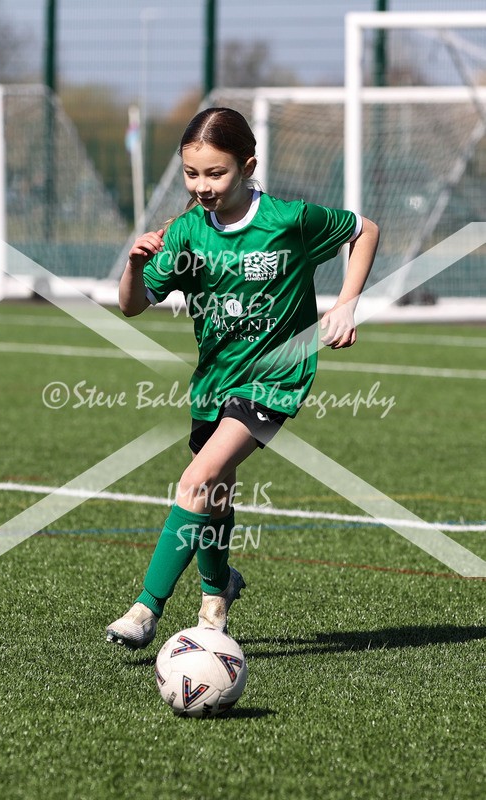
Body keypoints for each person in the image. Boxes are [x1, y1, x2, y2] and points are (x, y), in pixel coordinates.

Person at [106, 107, 379, 649]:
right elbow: (131, 307)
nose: (202, 186)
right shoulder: (183, 233)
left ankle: (145, 608)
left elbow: (364, 229)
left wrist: (347, 304)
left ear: (247, 165)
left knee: (194, 480)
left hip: (275, 377)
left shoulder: (286, 218)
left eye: (215, 173)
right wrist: (135, 264)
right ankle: (216, 594)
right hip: (215, 383)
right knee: (215, 494)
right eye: (191, 174)